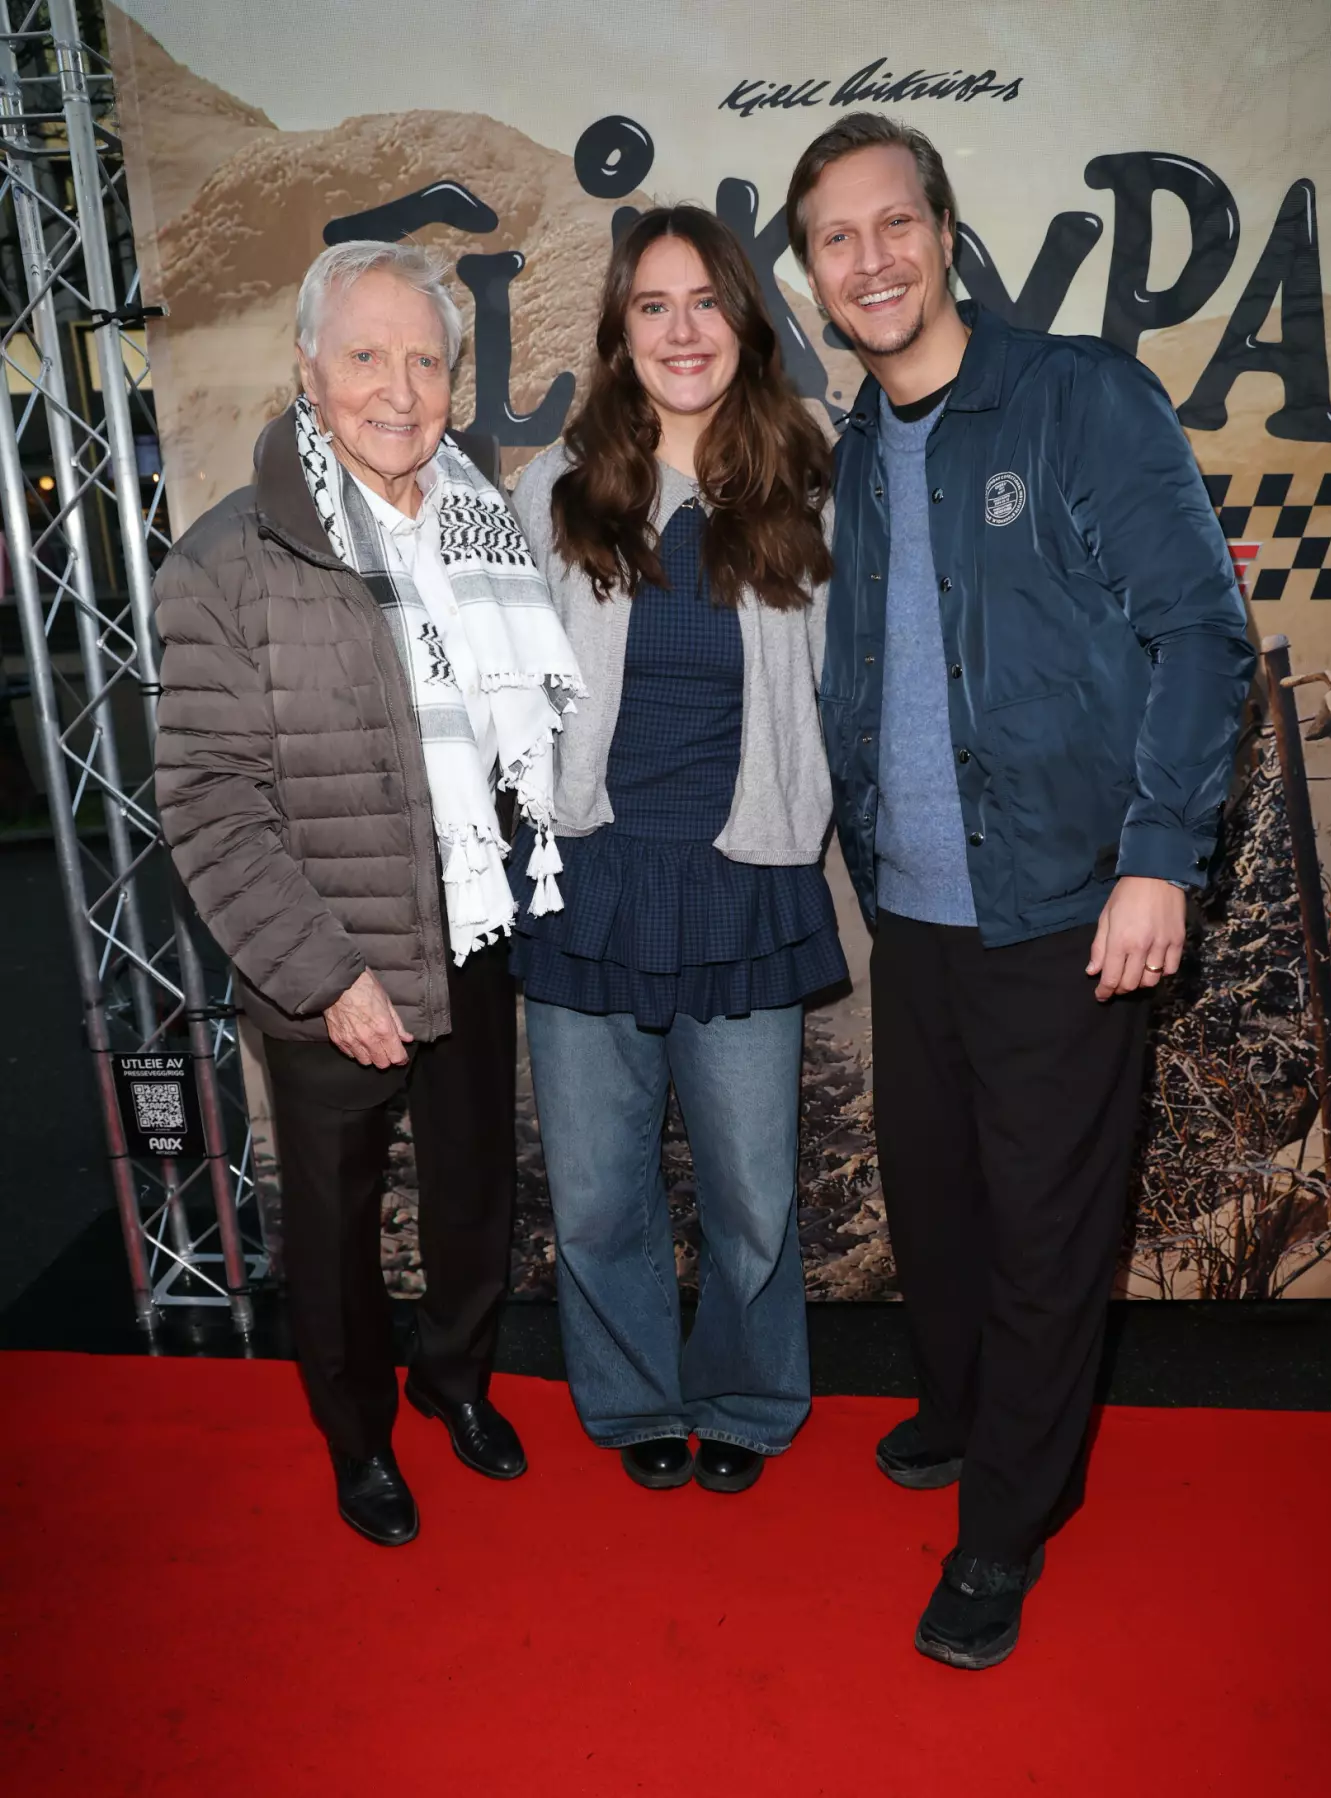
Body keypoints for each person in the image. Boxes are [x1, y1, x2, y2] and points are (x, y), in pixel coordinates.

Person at [787, 116, 1254, 1666]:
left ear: (942, 228)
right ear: (812, 273)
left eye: (893, 222)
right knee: (941, 1200)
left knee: (1051, 1229)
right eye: (837, 239)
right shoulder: (856, 444)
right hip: (915, 914)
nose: (872, 258)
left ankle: (1005, 1529)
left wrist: (1156, 857)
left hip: (1067, 906)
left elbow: (1201, 635)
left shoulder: (1078, 402)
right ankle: (971, 1412)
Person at [154, 241, 583, 1546]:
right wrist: (328, 975)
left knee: (472, 1194)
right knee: (336, 1236)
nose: (398, 388)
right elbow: (211, 803)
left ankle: (456, 1378)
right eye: (363, 356)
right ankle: (358, 1441)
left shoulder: (483, 525)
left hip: (469, 929)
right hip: (325, 959)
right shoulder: (224, 562)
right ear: (305, 371)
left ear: (455, 380)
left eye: (425, 359)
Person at [508, 205, 844, 1494]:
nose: (682, 329)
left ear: (746, 318)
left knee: (755, 1193)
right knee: (596, 1194)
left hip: (743, 879)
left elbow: (843, 686)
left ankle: (752, 1401)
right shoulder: (551, 490)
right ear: (618, 332)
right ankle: (635, 1398)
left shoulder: (803, 480)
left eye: (705, 300)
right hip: (587, 878)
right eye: (653, 306)